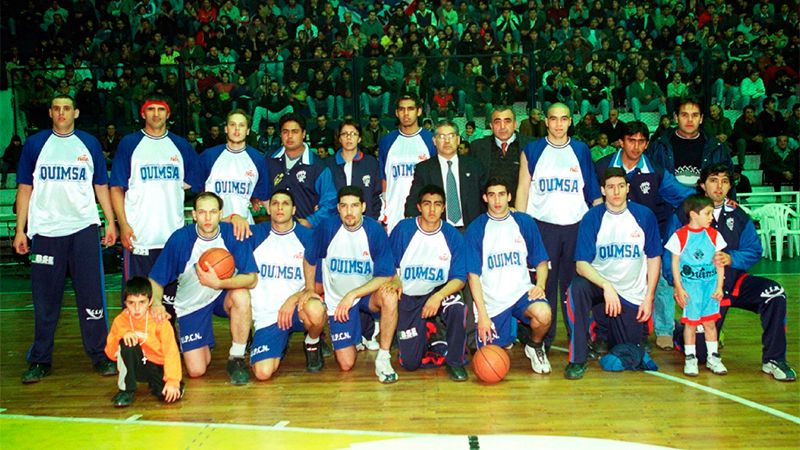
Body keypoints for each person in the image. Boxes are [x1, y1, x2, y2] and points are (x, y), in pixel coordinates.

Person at [14, 95, 118, 383]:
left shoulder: (89, 143)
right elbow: (24, 187)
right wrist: (20, 229)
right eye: (57, 108)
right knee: (45, 300)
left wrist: (110, 222)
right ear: (50, 113)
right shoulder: (35, 144)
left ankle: (100, 355)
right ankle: (40, 359)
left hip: (83, 228)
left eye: (67, 108)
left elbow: (101, 184)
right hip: (46, 232)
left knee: (92, 296)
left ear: (76, 112)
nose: (62, 113)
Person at [665, 164, 796, 382]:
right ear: (702, 185)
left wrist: (732, 258)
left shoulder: (739, 215)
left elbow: (754, 250)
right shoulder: (684, 213)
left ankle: (774, 359)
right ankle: (682, 331)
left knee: (775, 292)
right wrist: (679, 287)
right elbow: (669, 255)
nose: (719, 186)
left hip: (732, 283)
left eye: (725, 181)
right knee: (700, 355)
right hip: (700, 291)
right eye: (713, 180)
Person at [595, 121, 695, 350]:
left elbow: (684, 196)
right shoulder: (601, 166)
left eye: (641, 141)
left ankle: (663, 328)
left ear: (647, 144)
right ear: (621, 142)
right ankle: (600, 330)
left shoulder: (656, 171)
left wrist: (711, 199)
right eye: (631, 140)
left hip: (648, 236)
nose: (636, 146)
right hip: (610, 239)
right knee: (602, 280)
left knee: (659, 276)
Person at [515, 102, 602, 349]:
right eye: (553, 119)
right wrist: (521, 226)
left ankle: (580, 338)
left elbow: (593, 191)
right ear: (546, 121)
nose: (558, 124)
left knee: (574, 286)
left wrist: (597, 228)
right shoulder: (532, 150)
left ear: (571, 121)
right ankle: (545, 339)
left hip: (576, 227)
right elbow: (523, 188)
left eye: (564, 119)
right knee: (545, 285)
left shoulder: (581, 150)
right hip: (542, 227)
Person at [149, 192, 257, 385]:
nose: (208, 218)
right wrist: (156, 303)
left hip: (221, 295)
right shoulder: (180, 239)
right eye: (202, 212)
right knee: (197, 370)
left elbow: (251, 279)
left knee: (242, 295)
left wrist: (219, 284)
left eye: (213, 212)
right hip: (192, 303)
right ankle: (202, 341)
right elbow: (156, 279)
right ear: (194, 215)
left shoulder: (233, 234)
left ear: (221, 213)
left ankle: (237, 357)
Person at [565, 167, 661, 380]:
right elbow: (581, 264)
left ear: (628, 188)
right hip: (600, 287)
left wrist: (649, 297)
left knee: (627, 352)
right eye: (610, 187)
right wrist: (607, 286)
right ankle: (578, 358)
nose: (616, 192)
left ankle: (602, 331)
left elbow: (654, 257)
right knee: (577, 288)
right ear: (603, 190)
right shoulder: (592, 217)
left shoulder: (644, 216)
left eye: (620, 186)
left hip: (631, 293)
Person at [111, 97, 201, 313]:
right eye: (151, 109)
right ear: (143, 114)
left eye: (161, 109)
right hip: (139, 236)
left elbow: (194, 182)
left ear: (168, 114)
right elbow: (116, 188)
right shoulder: (130, 144)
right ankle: (137, 343)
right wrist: (123, 224)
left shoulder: (180, 145)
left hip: (172, 237)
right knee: (136, 298)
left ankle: (168, 343)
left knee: (169, 302)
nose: (156, 114)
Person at [302, 186, 399, 383]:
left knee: (390, 295)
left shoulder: (374, 231)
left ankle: (384, 357)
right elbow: (309, 258)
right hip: (338, 301)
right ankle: (353, 336)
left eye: (354, 206)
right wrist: (310, 288)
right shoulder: (327, 228)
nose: (349, 211)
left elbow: (386, 275)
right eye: (344, 206)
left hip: (365, 295)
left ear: (363, 207)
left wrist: (353, 294)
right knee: (346, 364)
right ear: (338, 208)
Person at [465, 178, 552, 374]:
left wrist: (541, 285)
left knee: (544, 314)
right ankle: (506, 335)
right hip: (492, 301)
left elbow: (541, 260)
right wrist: (484, 316)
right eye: (492, 195)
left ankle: (535, 345)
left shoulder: (524, 222)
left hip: (521, 293)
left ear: (509, 196)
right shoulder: (476, 229)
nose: (497, 200)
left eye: (502, 194)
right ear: (485, 198)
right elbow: (473, 277)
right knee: (489, 360)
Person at [385, 184, 469, 381]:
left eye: (437, 204)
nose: (432, 210)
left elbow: (459, 278)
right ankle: (431, 334)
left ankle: (455, 361)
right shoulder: (404, 229)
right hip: (409, 296)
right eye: (427, 204)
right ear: (419, 206)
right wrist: (395, 279)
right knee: (411, 363)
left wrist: (438, 297)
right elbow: (388, 264)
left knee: (457, 306)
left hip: (438, 290)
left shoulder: (452, 236)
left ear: (444, 208)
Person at [247, 190, 327, 380]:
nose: (280, 207)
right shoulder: (254, 234)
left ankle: (312, 342)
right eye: (275, 203)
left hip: (297, 308)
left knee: (317, 310)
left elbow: (319, 286)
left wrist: (293, 299)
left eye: (285, 203)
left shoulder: (308, 237)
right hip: (267, 315)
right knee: (262, 373)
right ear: (269, 208)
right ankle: (277, 342)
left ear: (294, 209)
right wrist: (234, 218)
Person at [664, 195, 727, 377]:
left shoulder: (714, 235)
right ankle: (690, 359)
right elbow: (674, 264)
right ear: (693, 214)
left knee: (710, 323)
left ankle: (713, 357)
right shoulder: (680, 236)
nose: (711, 218)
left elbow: (719, 262)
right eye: (707, 213)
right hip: (691, 289)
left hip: (710, 287)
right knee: (690, 325)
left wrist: (719, 286)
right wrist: (679, 287)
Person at [105, 276, 182, 407]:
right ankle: (126, 390)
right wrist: (122, 334)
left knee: (168, 397)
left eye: (142, 302)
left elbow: (171, 352)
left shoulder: (160, 321)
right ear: (125, 302)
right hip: (137, 366)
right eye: (131, 303)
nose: (136, 308)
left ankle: (166, 384)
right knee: (126, 344)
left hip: (157, 366)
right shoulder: (120, 321)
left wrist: (173, 381)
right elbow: (111, 354)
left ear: (150, 301)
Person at [405, 120, 487, 229]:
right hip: (438, 232)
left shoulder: (474, 166)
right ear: (434, 141)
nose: (447, 141)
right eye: (442, 137)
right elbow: (413, 201)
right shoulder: (424, 169)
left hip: (471, 231)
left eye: (451, 136)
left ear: (458, 140)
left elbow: (486, 197)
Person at [199, 109, 270, 226]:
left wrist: (254, 198)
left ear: (247, 131)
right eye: (233, 125)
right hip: (214, 229)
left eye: (241, 125)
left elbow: (264, 199)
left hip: (245, 229)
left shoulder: (258, 159)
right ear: (226, 129)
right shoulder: (209, 156)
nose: (237, 129)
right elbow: (199, 193)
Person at [267, 112, 337, 228]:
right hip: (274, 232)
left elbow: (330, 202)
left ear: (304, 134)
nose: (289, 136)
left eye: (295, 132)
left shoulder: (318, 166)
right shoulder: (269, 161)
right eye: (285, 132)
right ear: (280, 134)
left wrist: (311, 221)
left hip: (306, 234)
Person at [378, 95, 436, 232]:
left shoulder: (430, 140)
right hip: (393, 213)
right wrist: (384, 211)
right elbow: (383, 177)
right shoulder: (387, 141)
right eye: (402, 109)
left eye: (410, 109)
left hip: (424, 212)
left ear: (419, 111)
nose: (406, 113)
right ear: (396, 113)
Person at [646, 97, 732, 188]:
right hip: (668, 201)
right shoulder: (659, 146)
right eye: (684, 115)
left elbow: (728, 182)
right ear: (676, 117)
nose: (690, 120)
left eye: (695, 115)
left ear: (701, 118)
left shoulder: (716, 147)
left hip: (704, 201)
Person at [327, 120, 382, 219]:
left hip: (366, 222)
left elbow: (377, 195)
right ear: (339, 138)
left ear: (359, 138)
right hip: (335, 222)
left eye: (353, 134)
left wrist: (375, 219)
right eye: (344, 134)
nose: (349, 137)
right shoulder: (328, 165)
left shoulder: (371, 163)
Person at [470, 105, 530, 197]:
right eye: (497, 122)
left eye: (507, 121)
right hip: (488, 208)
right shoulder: (477, 148)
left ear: (515, 124)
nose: (502, 127)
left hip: (523, 208)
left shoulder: (530, 145)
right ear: (491, 126)